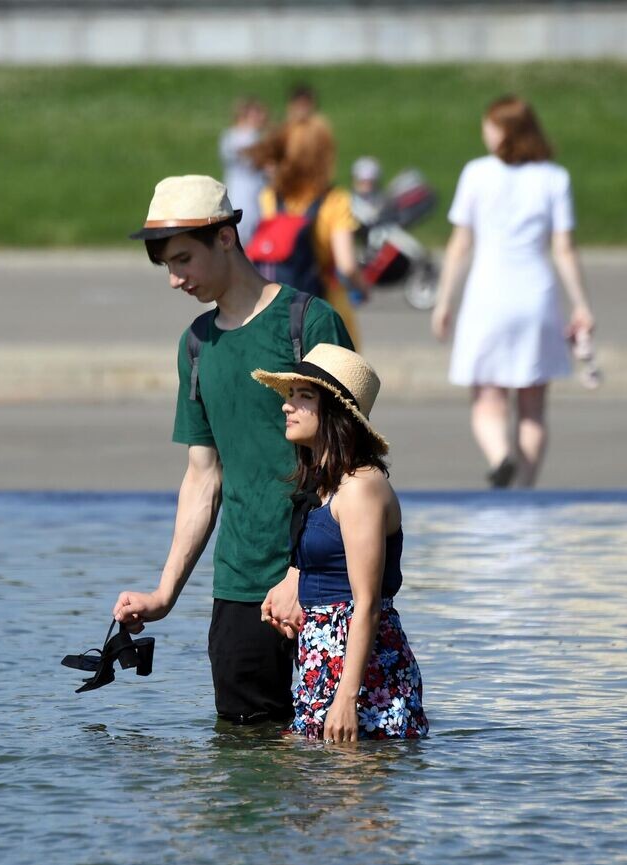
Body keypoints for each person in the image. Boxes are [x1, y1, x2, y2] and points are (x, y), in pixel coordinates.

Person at [113, 175, 353, 725]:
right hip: (240, 589)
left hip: (327, 587)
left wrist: (299, 576)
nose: (175, 280)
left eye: (182, 260)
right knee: (244, 772)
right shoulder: (196, 345)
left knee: (342, 765)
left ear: (225, 237)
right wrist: (164, 593)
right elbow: (202, 477)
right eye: (166, 267)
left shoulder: (310, 323)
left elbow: (348, 463)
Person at [253, 343, 428, 742]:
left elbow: (365, 603)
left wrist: (346, 696)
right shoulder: (327, 486)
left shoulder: (361, 488)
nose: (287, 406)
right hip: (325, 662)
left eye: (303, 396)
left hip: (363, 675)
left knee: (354, 798)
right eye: (289, 394)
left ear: (333, 411)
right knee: (314, 794)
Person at [430, 95, 596, 488]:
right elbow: (564, 249)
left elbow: (459, 245)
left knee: (488, 399)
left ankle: (500, 455)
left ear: (504, 131)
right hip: (536, 296)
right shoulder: (554, 178)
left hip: (488, 295)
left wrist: (443, 301)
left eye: (490, 125)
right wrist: (581, 305)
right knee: (533, 406)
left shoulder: (477, 173)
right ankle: (525, 486)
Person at [248, 116, 366, 346]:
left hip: (277, 316)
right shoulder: (335, 201)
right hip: (324, 310)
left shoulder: (269, 198)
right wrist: (362, 286)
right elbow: (347, 265)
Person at [218, 96, 268, 244]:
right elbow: (240, 151)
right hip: (239, 199)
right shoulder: (233, 136)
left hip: (257, 201)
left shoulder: (258, 138)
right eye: (257, 114)